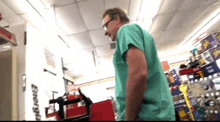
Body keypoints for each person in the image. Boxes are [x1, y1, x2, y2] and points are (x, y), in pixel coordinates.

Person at [102, 8, 175, 121]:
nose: (105, 32)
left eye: (106, 26)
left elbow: (139, 74)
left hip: (145, 114)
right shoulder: (138, 33)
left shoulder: (125, 30)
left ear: (117, 19)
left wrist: (129, 118)